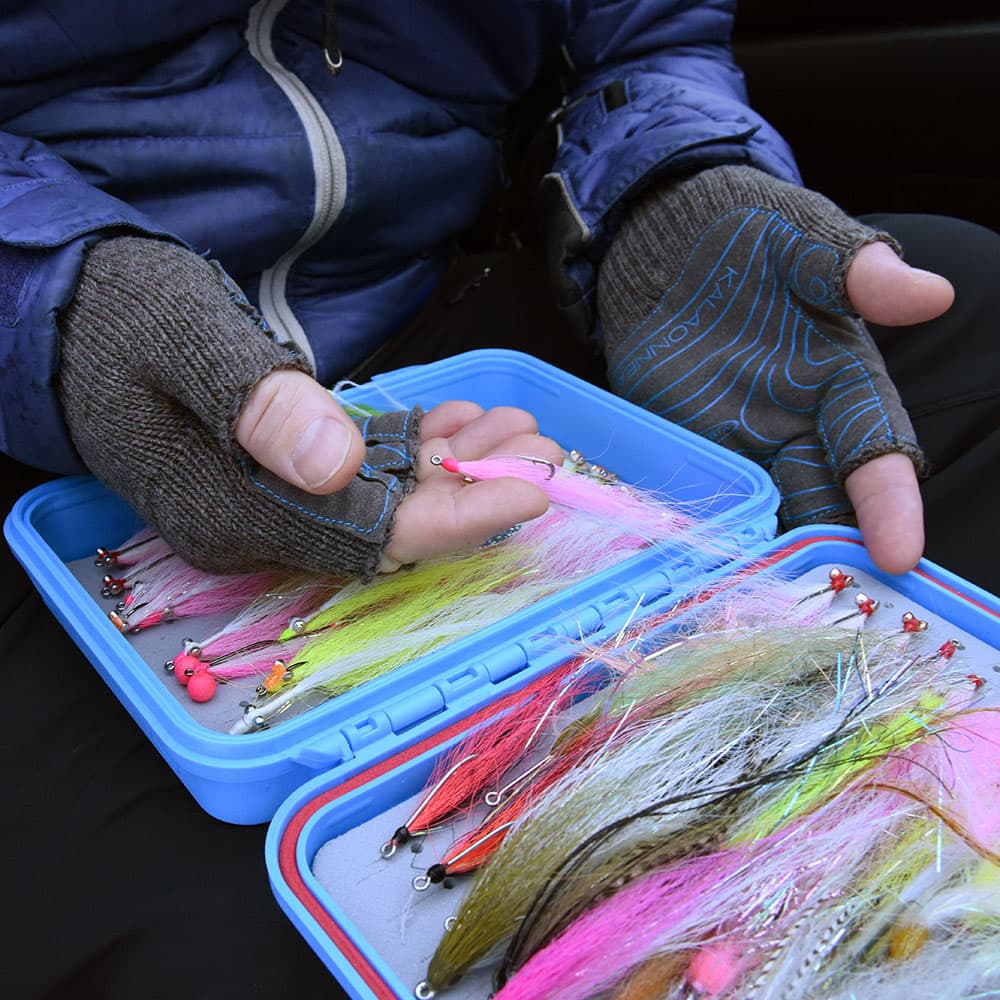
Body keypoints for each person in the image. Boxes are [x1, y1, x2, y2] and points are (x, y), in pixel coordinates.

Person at [1, 3, 997, 998]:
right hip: (63, 404)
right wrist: (61, 303)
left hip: (447, 317)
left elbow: (643, 38)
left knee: (973, 298)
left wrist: (665, 190)